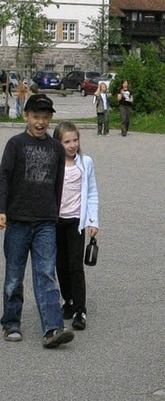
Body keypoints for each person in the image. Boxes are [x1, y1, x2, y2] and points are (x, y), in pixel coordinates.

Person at [0, 94, 74, 348]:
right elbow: (4, 179)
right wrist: (2, 210)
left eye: (45, 117)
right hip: (18, 219)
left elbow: (58, 184)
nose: (40, 122)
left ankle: (52, 328)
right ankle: (11, 322)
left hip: (45, 221)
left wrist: (54, 214)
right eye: (35, 117)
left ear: (51, 118)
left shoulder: (55, 148)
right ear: (26, 116)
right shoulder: (15, 144)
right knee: (14, 275)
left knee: (46, 274)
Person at [52, 122, 99, 331]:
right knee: (60, 264)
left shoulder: (85, 162)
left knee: (75, 265)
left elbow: (92, 194)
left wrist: (92, 221)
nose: (72, 145)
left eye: (75, 140)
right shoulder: (54, 163)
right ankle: (68, 301)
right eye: (66, 141)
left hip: (76, 222)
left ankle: (80, 309)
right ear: (57, 143)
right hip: (55, 221)